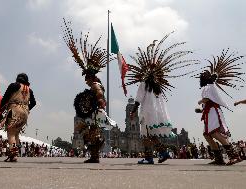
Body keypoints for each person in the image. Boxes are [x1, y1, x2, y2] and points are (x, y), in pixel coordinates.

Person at [127, 33, 197, 164]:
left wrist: (132, 111)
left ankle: (149, 158)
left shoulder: (144, 84)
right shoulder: (157, 86)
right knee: (152, 135)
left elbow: (138, 99)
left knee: (146, 135)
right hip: (156, 113)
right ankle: (163, 153)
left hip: (147, 112)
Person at [62, 19, 116, 163]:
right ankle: (94, 155)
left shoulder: (95, 84)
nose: (85, 81)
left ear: (89, 76)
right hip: (95, 111)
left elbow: (98, 93)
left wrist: (99, 101)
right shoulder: (95, 83)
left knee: (89, 132)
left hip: (96, 111)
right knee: (90, 132)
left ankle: (95, 155)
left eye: (86, 78)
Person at [195, 48, 244, 165]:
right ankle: (219, 158)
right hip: (209, 112)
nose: (202, 75)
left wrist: (200, 101)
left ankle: (235, 156)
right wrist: (201, 109)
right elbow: (209, 101)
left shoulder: (210, 86)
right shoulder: (207, 87)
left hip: (213, 112)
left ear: (208, 77)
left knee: (215, 133)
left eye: (205, 74)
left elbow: (207, 99)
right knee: (207, 135)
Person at [0, 73, 36, 162]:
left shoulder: (14, 85)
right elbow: (34, 103)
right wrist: (26, 109)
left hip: (14, 110)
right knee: (16, 133)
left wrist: (0, 111)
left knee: (10, 133)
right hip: (25, 112)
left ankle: (13, 154)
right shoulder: (29, 90)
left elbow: (5, 99)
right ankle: (15, 151)